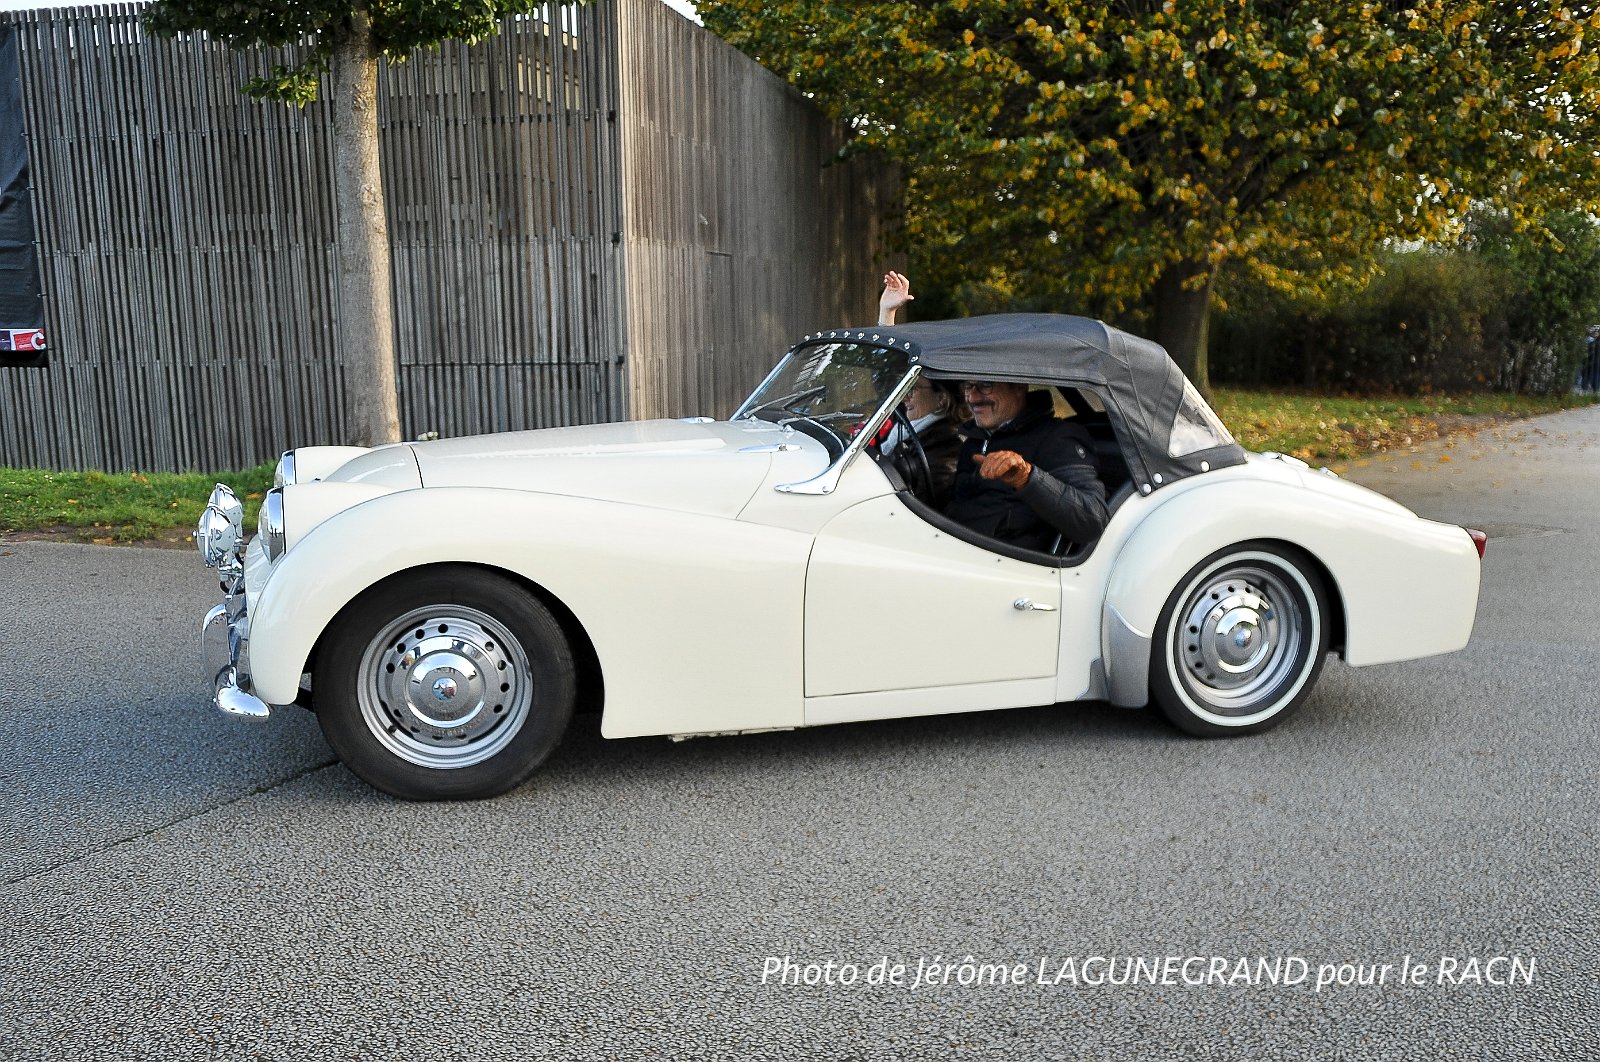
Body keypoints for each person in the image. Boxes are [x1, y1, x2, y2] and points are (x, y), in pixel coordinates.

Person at [947, 380, 1109, 553]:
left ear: (1019, 387)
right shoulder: (973, 442)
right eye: (968, 386)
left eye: (985, 385)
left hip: (1007, 562)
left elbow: (1093, 520)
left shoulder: (1057, 438)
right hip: (954, 549)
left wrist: (1026, 477)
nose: (972, 397)